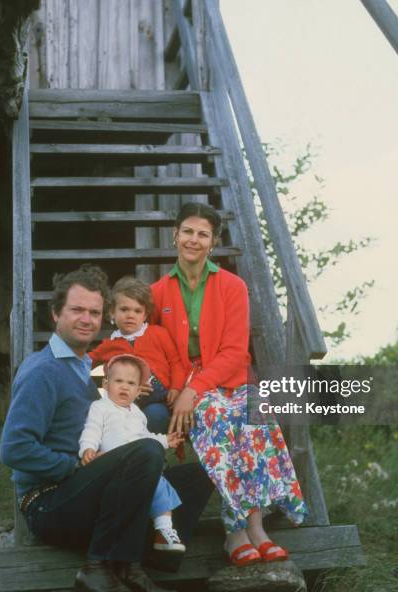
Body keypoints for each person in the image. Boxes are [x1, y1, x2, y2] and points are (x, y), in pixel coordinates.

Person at [0, 264, 214, 592]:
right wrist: (74, 465)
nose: (86, 319)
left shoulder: (83, 369)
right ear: (56, 313)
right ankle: (100, 567)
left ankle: (137, 559)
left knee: (199, 476)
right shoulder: (44, 371)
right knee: (145, 452)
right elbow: (14, 449)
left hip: (89, 494)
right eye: (77, 310)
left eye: (94, 312)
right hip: (49, 502)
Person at [151, 203, 308, 567]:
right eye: (187, 231)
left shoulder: (232, 286)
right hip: (186, 384)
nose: (193, 239)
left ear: (213, 242)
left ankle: (255, 527)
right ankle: (238, 531)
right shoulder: (157, 292)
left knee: (256, 416)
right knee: (217, 417)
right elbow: (151, 345)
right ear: (175, 235)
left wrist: (197, 387)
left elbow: (236, 352)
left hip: (229, 377)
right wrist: (180, 388)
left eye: (202, 234)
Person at [79, 353, 186, 555]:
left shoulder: (137, 413)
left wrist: (165, 440)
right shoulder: (100, 407)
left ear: (138, 390)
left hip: (137, 466)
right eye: (118, 381)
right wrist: (88, 448)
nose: (124, 387)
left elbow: (144, 437)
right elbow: (91, 429)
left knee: (159, 481)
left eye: (131, 383)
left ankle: (164, 530)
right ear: (106, 383)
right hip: (112, 464)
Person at [89, 276, 186, 434]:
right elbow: (85, 363)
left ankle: (153, 451)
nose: (130, 315)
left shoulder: (158, 333)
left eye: (137, 311)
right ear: (112, 312)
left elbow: (176, 362)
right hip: (126, 403)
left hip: (160, 399)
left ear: (145, 314)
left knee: (156, 416)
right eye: (124, 309)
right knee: (116, 423)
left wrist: (176, 388)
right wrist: (107, 388)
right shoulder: (109, 345)